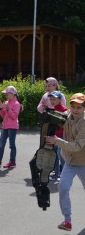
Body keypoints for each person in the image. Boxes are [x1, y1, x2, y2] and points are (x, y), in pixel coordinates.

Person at [45, 93, 85, 231]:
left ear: (84, 108)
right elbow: (55, 118)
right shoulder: (67, 115)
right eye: (73, 106)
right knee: (63, 188)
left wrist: (57, 141)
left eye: (79, 107)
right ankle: (67, 220)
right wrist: (48, 116)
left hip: (83, 162)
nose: (75, 109)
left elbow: (77, 146)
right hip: (69, 161)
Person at [0, 86, 22, 168]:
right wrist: (1, 108)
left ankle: (12, 161)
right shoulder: (6, 102)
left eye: (7, 94)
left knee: (12, 145)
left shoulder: (17, 104)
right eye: (5, 94)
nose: (6, 95)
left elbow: (14, 116)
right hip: (5, 126)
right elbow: (3, 115)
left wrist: (8, 109)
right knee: (1, 144)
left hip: (13, 127)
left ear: (13, 94)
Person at [47, 90, 68, 181]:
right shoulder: (52, 110)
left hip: (62, 136)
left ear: (60, 99)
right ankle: (56, 173)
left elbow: (66, 125)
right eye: (51, 99)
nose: (52, 101)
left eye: (54, 99)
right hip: (54, 136)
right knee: (54, 155)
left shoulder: (65, 110)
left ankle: (64, 173)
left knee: (61, 154)